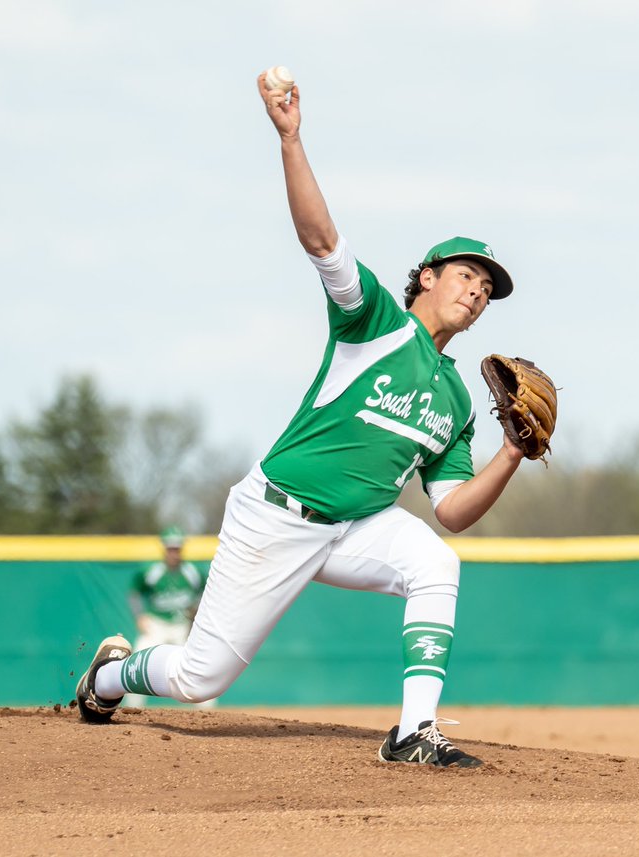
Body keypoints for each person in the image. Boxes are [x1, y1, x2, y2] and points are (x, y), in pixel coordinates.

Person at [75, 71, 535, 768]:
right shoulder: (374, 320)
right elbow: (322, 239)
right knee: (203, 677)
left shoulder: (456, 397)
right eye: (467, 272)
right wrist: (291, 138)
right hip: (276, 514)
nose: (478, 288)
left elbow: (452, 511)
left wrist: (510, 453)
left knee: (436, 562)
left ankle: (414, 730)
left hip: (353, 528)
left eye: (488, 287)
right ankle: (107, 677)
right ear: (428, 275)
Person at [122, 526, 213, 709]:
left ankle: (209, 714)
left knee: (198, 667)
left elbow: (206, 592)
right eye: (171, 548)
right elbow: (134, 593)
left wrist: (196, 610)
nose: (174, 552)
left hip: (182, 626)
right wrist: (139, 616)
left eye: (177, 548)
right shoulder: (152, 571)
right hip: (157, 624)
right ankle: (131, 709)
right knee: (137, 662)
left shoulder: (192, 572)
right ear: (164, 548)